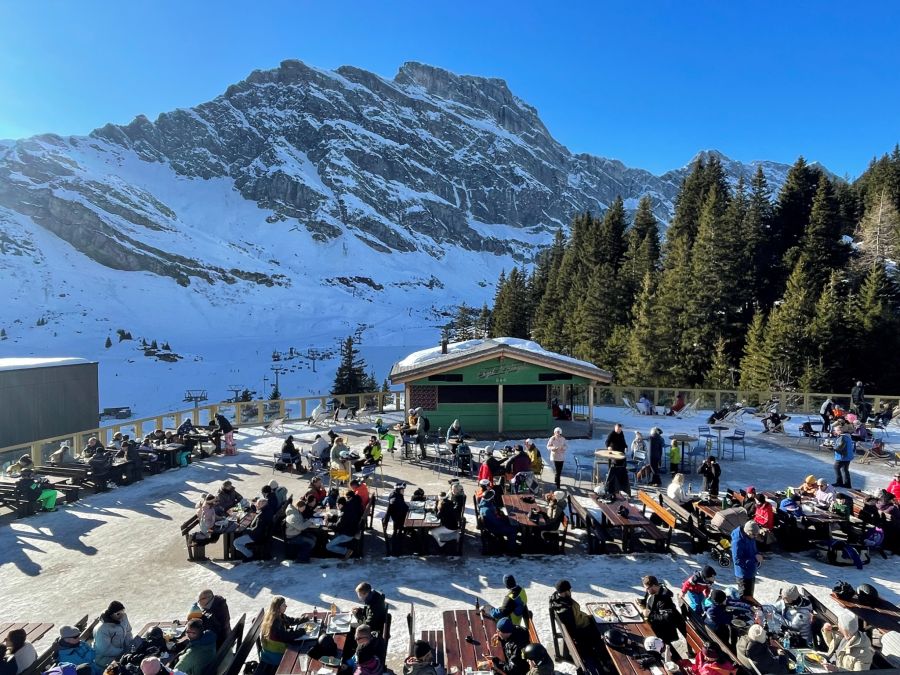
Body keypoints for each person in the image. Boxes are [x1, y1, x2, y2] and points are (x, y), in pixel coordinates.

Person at [549, 580, 600, 658]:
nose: (570, 592)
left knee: (598, 621)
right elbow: (574, 630)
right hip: (581, 628)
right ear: (566, 592)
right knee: (601, 630)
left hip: (581, 620)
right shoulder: (567, 609)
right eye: (569, 590)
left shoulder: (557, 597)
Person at [638, 576, 680, 654]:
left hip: (663, 630)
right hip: (653, 623)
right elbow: (648, 601)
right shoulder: (651, 591)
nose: (646, 590)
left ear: (654, 586)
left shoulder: (665, 599)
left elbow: (666, 618)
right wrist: (641, 602)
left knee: (641, 636)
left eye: (647, 588)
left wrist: (649, 614)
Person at [259, 597, 305, 666]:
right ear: (278, 607)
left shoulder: (277, 614)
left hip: (275, 649)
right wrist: (301, 632)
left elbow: (289, 620)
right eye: (283, 605)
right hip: (275, 654)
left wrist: (302, 619)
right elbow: (285, 636)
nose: (286, 606)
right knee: (301, 653)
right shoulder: (275, 621)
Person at [94, 601, 133, 669]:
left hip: (121, 651)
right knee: (125, 667)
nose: (121, 615)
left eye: (123, 611)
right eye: (118, 614)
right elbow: (105, 650)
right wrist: (123, 652)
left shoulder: (123, 617)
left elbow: (128, 631)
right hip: (105, 658)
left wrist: (129, 646)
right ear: (111, 614)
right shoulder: (102, 629)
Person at [731, 521, 763, 603]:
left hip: (751, 571)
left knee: (750, 597)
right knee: (745, 599)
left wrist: (758, 554)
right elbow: (737, 560)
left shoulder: (751, 536)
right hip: (743, 576)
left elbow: (753, 549)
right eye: (754, 535)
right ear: (748, 532)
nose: (755, 537)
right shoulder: (737, 541)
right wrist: (754, 559)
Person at [325, 489, 363, 558]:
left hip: (347, 534)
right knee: (331, 537)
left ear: (341, 504)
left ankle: (347, 551)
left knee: (328, 546)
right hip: (351, 530)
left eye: (337, 505)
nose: (337, 507)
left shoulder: (344, 513)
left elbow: (338, 526)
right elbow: (340, 522)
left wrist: (328, 524)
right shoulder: (348, 507)